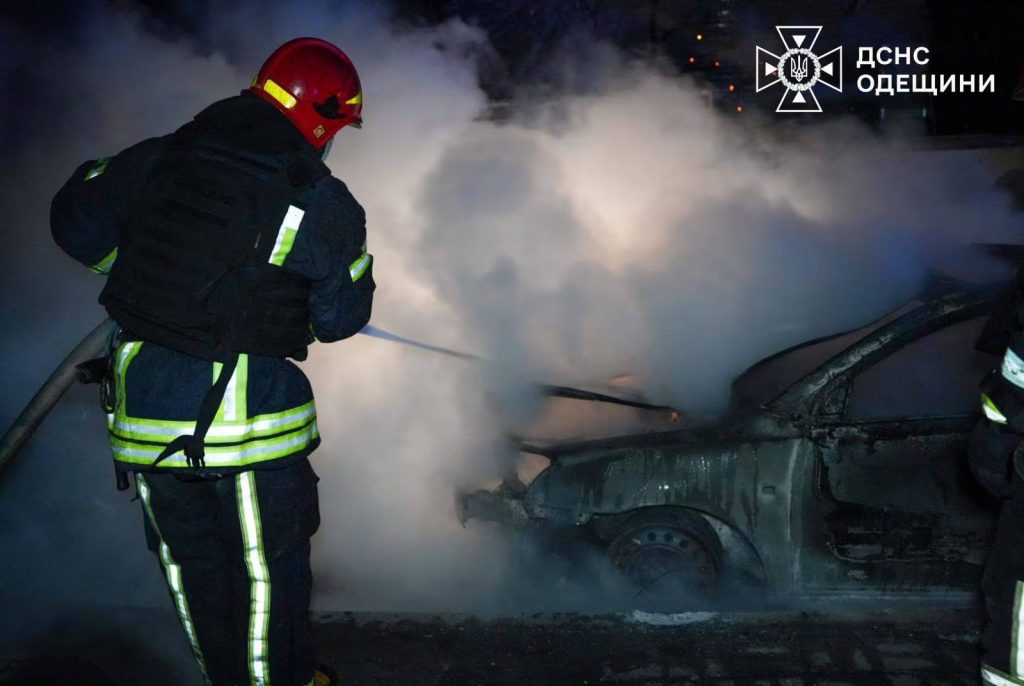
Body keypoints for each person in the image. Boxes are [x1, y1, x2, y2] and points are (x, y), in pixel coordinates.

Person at [50, 37, 374, 686]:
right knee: (266, 580)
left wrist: (151, 274)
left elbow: (74, 221)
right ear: (321, 120)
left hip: (144, 421)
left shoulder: (160, 157)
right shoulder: (318, 196)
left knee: (194, 574)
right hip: (244, 423)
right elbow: (339, 319)